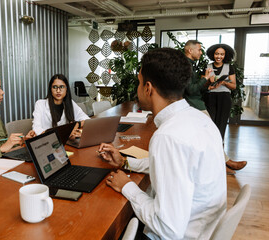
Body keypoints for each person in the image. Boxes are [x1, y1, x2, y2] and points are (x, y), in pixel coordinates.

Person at [98, 48, 227, 239]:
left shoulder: (168, 137)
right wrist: (125, 162)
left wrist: (127, 186)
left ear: (148, 88)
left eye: (139, 83)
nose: (137, 89)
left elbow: (168, 228)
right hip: (202, 227)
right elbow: (173, 166)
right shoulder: (199, 118)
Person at [184, 40, 247, 174]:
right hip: (206, 99)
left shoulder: (228, 67)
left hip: (221, 98)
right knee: (211, 132)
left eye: (222, 54)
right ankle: (224, 162)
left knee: (217, 130)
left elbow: (234, 85)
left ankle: (223, 162)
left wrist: (222, 82)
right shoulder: (198, 66)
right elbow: (195, 88)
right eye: (217, 54)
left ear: (225, 55)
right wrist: (208, 82)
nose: (219, 56)